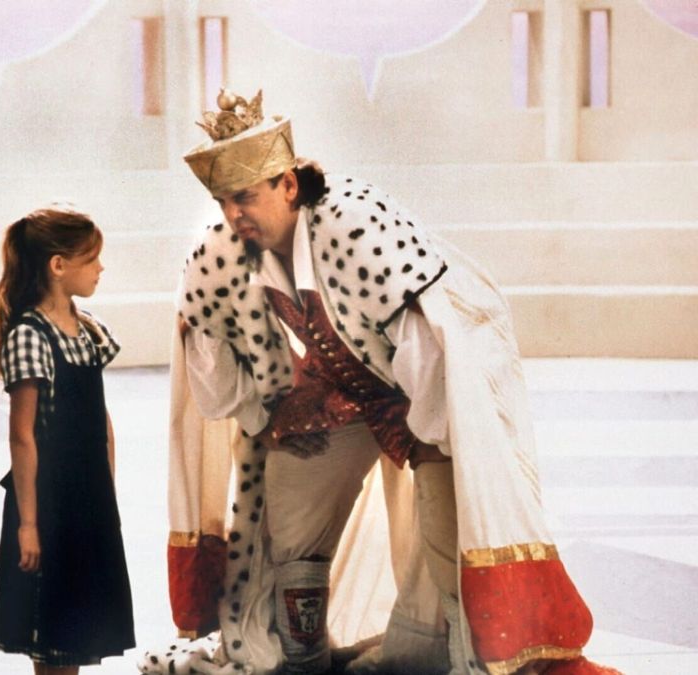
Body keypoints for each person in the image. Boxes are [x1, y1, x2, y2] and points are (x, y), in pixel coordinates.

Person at [140, 90, 618, 674]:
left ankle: (466, 662)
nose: (234, 214)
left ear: (287, 185)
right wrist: (268, 417)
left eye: (245, 197)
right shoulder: (221, 250)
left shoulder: (355, 223)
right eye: (223, 200)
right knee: (287, 508)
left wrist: (433, 441)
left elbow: (431, 344)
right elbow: (216, 384)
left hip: (439, 386)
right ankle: (301, 661)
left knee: (449, 530)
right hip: (345, 388)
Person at [0, 208, 136, 674]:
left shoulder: (87, 329)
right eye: (91, 259)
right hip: (49, 503)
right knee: (51, 633)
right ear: (58, 265)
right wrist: (28, 524)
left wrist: (107, 496)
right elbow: (22, 437)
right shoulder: (31, 335)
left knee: (78, 630)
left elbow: (101, 419)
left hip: (88, 501)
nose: (100, 268)